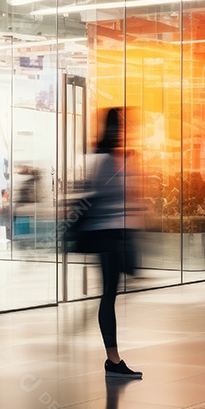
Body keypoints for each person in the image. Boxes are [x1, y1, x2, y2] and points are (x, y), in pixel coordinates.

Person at [81, 108, 141, 379]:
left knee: (110, 295)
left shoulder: (110, 159)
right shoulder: (107, 161)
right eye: (122, 126)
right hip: (108, 236)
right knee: (108, 296)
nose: (125, 131)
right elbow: (105, 198)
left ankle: (113, 359)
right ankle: (112, 359)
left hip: (113, 234)